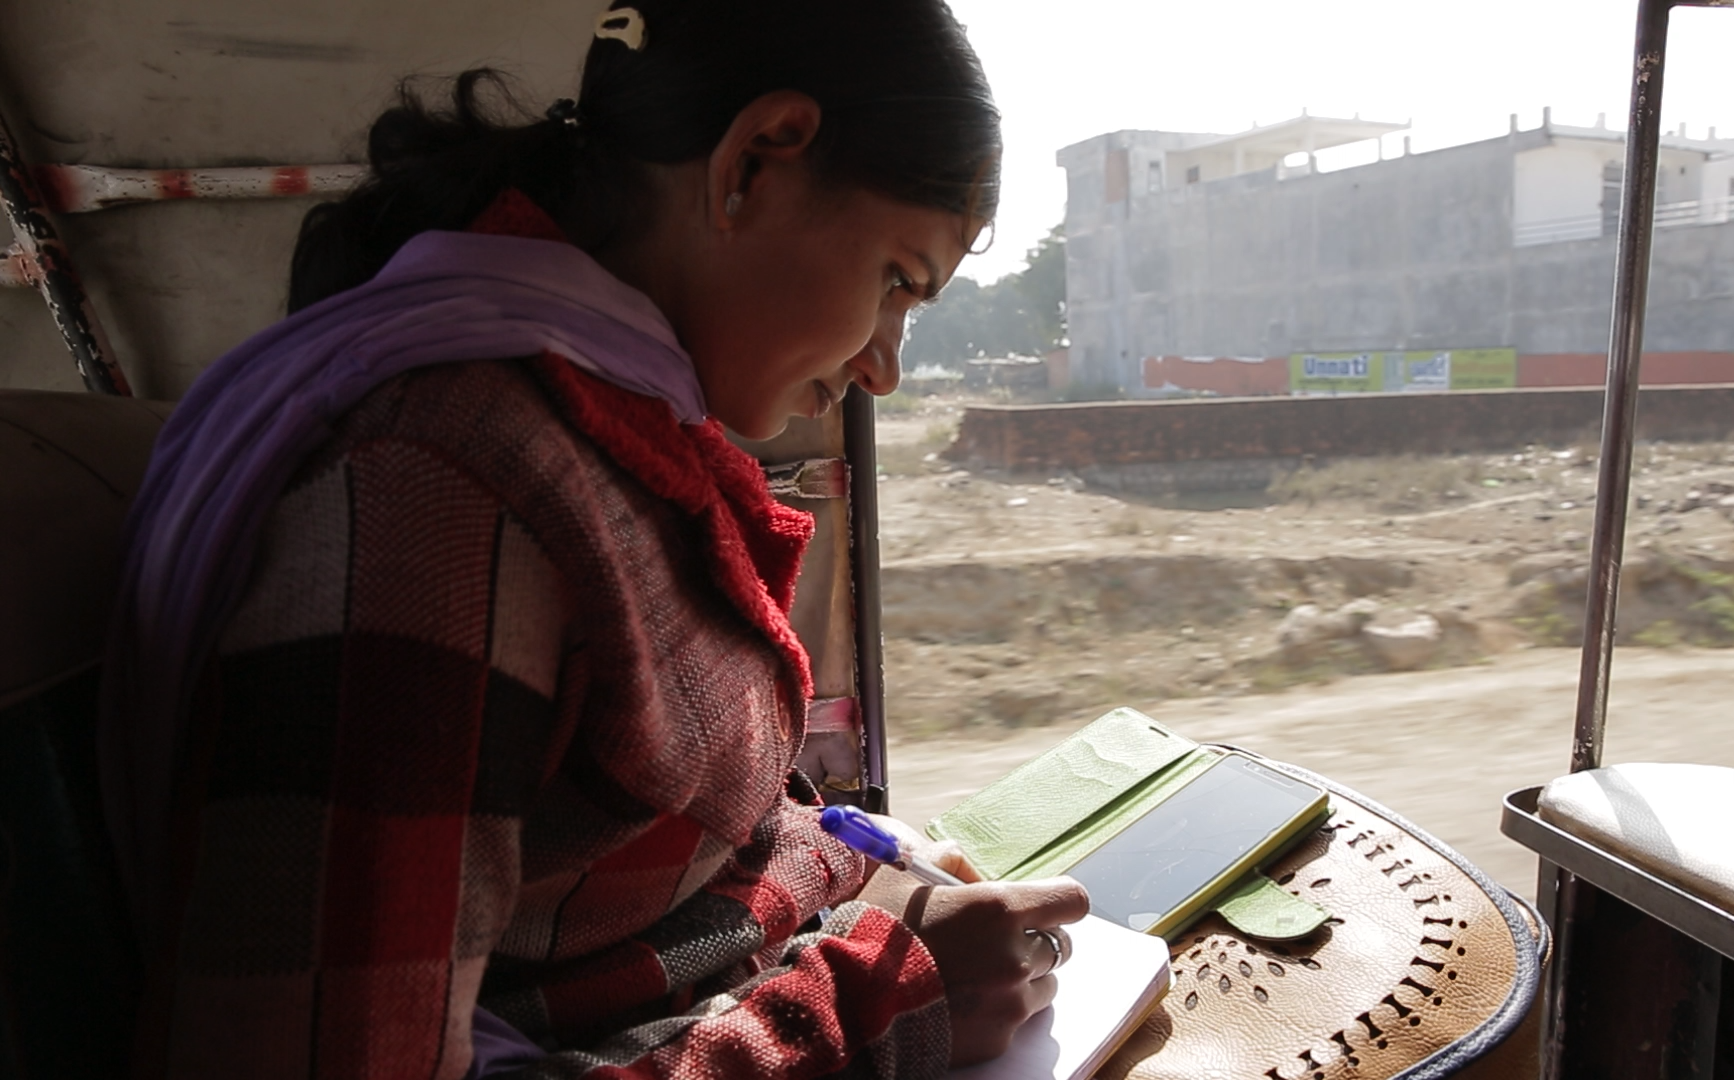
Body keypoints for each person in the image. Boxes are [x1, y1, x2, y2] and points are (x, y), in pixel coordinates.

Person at [98, 2, 1088, 1077]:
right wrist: (874, 1006)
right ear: (758, 157)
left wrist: (853, 869)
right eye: (899, 279)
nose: (884, 366)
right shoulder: (440, 491)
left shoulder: (606, 438)